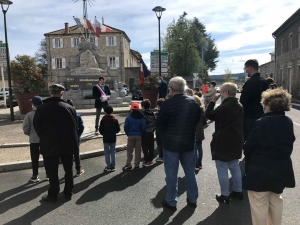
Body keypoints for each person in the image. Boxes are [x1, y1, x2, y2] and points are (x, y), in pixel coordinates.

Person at [243, 87, 295, 225]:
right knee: (276, 200)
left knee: (259, 202)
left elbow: (249, 146)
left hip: (260, 169)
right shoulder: (288, 122)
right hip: (281, 168)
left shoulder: (262, 122)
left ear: (268, 104)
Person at [156, 76, 201, 211]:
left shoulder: (167, 104)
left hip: (171, 144)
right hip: (188, 143)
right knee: (190, 172)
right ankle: (192, 200)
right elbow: (197, 120)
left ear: (170, 89)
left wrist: (163, 140)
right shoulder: (194, 102)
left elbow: (160, 125)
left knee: (171, 174)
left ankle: (171, 201)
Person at [33, 84, 79, 203]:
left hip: (49, 144)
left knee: (52, 171)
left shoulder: (41, 108)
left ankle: (53, 194)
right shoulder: (69, 108)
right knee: (68, 169)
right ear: (62, 93)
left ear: (50, 93)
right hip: (67, 144)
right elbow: (75, 126)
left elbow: (37, 126)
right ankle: (68, 192)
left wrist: (45, 137)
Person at [205, 82, 244, 204]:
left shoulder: (225, 106)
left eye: (221, 92)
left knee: (222, 168)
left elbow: (209, 114)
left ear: (226, 92)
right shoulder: (239, 105)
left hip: (223, 140)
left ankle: (225, 194)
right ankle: (238, 191)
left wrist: (212, 101)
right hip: (236, 138)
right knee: (234, 166)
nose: (220, 94)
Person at [240, 59, 268, 141]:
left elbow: (243, 101)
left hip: (249, 116)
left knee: (249, 142)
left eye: (245, 68)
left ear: (250, 68)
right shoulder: (264, 82)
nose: (245, 70)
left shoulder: (250, 83)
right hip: (261, 114)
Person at [22, 96, 44, 182]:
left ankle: (35, 175)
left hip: (34, 140)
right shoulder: (45, 113)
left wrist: (30, 134)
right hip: (45, 139)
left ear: (33, 105)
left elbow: (26, 128)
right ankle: (48, 174)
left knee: (34, 158)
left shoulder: (29, 115)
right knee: (47, 157)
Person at [123, 102, 146, 170]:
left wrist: (128, 133)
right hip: (138, 135)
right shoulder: (141, 118)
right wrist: (141, 133)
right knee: (138, 151)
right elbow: (144, 127)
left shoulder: (128, 118)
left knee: (130, 151)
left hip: (130, 135)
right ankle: (136, 164)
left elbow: (126, 127)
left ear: (131, 109)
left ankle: (128, 164)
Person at [66, 99, 85, 177]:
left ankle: (68, 171)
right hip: (75, 137)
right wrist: (78, 134)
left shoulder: (63, 116)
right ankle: (78, 169)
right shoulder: (77, 115)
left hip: (66, 138)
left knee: (68, 155)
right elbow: (81, 127)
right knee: (76, 154)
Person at [99, 105, 120, 172]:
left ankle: (108, 166)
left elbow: (100, 130)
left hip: (106, 138)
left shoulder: (103, 120)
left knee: (107, 152)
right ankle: (113, 166)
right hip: (113, 137)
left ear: (105, 112)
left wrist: (104, 133)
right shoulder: (115, 119)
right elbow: (118, 129)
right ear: (112, 111)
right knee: (113, 152)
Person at [141, 99, 156, 166]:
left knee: (145, 146)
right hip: (151, 131)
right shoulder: (152, 113)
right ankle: (151, 160)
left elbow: (142, 123)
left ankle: (146, 160)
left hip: (145, 132)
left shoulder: (143, 113)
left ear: (143, 106)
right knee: (151, 146)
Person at [193, 95, 205, 170]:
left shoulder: (193, 109)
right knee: (200, 147)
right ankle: (200, 163)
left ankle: (196, 164)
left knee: (195, 148)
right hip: (200, 129)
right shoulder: (201, 109)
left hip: (194, 129)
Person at [155, 98, 165, 162]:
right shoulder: (167, 112)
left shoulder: (157, 114)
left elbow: (155, 123)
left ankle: (161, 157)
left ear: (158, 106)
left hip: (159, 131)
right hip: (166, 130)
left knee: (160, 144)